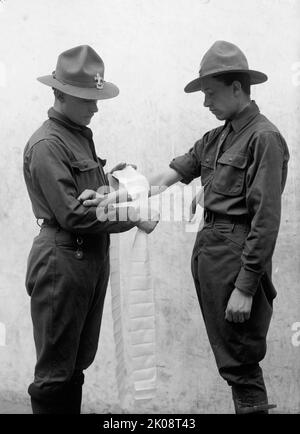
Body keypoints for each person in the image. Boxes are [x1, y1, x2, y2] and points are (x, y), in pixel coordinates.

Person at [81, 41, 289, 414]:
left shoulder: (264, 138)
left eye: (210, 93)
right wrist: (120, 197)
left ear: (237, 88)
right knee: (230, 356)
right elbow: (170, 175)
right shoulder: (216, 138)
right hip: (211, 253)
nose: (206, 103)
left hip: (236, 255)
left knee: (241, 359)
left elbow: (266, 220)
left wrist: (246, 286)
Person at [23, 45, 151, 414]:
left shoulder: (79, 133)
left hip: (88, 260)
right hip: (62, 261)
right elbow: (74, 214)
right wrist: (135, 217)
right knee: (54, 373)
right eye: (87, 99)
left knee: (76, 364)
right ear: (60, 94)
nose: (95, 107)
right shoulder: (48, 143)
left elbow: (90, 196)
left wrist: (113, 182)